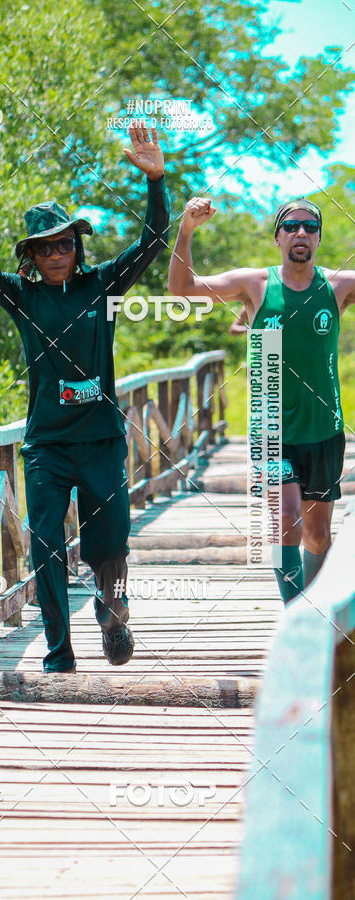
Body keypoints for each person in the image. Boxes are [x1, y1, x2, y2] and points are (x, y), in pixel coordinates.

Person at [0, 127, 170, 671]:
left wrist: (155, 179)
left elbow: (154, 240)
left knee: (110, 544)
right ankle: (59, 652)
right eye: (47, 248)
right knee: (44, 546)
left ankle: (113, 611)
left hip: (102, 441)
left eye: (66, 243)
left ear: (77, 245)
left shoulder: (103, 287)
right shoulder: (22, 297)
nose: (58, 254)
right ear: (32, 257)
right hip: (46, 446)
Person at [168, 196, 355, 603]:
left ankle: (313, 610)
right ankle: (295, 615)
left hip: (323, 429)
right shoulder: (255, 285)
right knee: (285, 519)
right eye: (291, 226)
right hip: (270, 429)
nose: (300, 232)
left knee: (317, 535)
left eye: (309, 226)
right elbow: (181, 290)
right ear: (278, 238)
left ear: (319, 237)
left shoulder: (338, 285)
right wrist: (185, 231)